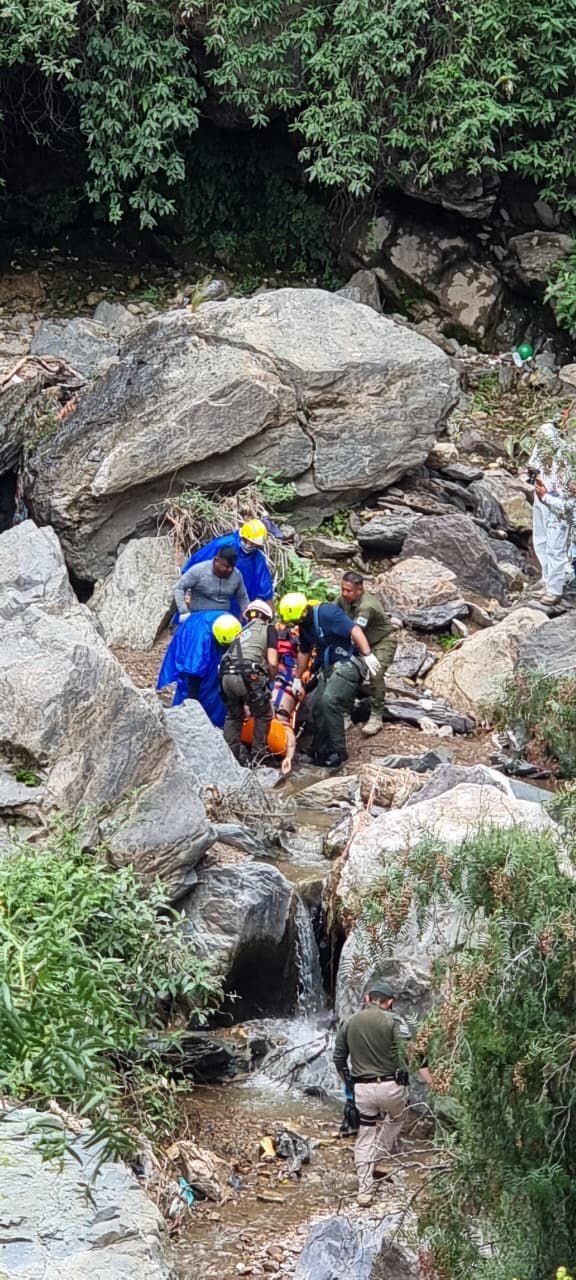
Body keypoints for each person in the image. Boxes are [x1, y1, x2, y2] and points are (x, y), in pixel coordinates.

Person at [333, 982, 409, 1206]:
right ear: (390, 1002)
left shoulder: (349, 1022)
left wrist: (349, 1084)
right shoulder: (394, 1021)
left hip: (362, 1088)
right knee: (396, 1118)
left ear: (367, 998)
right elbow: (405, 1053)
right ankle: (377, 1156)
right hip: (391, 1086)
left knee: (366, 1132)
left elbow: (338, 1059)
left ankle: (364, 1189)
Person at [293, 601, 380, 768]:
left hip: (349, 662)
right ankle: (319, 748)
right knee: (317, 704)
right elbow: (304, 652)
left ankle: (338, 750)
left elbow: (354, 630)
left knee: (329, 700)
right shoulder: (305, 627)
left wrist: (367, 653)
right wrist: (297, 678)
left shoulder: (327, 613)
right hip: (329, 666)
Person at [157, 611, 242, 726]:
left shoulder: (231, 624)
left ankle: (215, 724)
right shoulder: (200, 641)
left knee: (216, 688)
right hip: (194, 643)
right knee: (200, 687)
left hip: (208, 634)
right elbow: (193, 672)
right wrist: (193, 704)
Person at [337, 571, 395, 737]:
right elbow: (333, 612)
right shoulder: (342, 599)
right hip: (361, 641)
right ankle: (346, 712)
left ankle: (376, 715)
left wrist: (366, 654)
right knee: (348, 671)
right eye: (343, 589)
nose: (344, 593)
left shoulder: (366, 607)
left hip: (381, 642)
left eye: (348, 590)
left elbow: (356, 632)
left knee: (376, 673)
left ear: (359, 590)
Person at [219, 600, 278, 761]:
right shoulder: (269, 629)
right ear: (267, 617)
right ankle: (259, 756)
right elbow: (272, 661)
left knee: (234, 715)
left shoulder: (239, 632)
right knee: (264, 714)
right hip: (248, 675)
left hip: (225, 676)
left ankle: (230, 757)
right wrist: (271, 678)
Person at [179, 520, 273, 614]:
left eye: (254, 545)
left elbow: (265, 587)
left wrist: (270, 612)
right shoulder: (224, 544)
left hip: (239, 605)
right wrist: (187, 592)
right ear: (242, 537)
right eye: (249, 542)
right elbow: (195, 563)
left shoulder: (258, 559)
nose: (250, 546)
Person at [528, 421, 570, 605]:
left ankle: (555, 589)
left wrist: (547, 496)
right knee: (541, 540)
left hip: (558, 505)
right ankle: (547, 580)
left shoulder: (567, 459)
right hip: (541, 499)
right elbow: (533, 467)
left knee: (556, 547)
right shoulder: (541, 450)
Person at [174, 545, 249, 619]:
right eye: (226, 566)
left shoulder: (236, 575)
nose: (229, 570)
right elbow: (179, 587)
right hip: (198, 616)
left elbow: (242, 596)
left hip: (223, 617)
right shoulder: (199, 570)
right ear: (216, 561)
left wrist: (246, 612)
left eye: (232, 567)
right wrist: (184, 612)